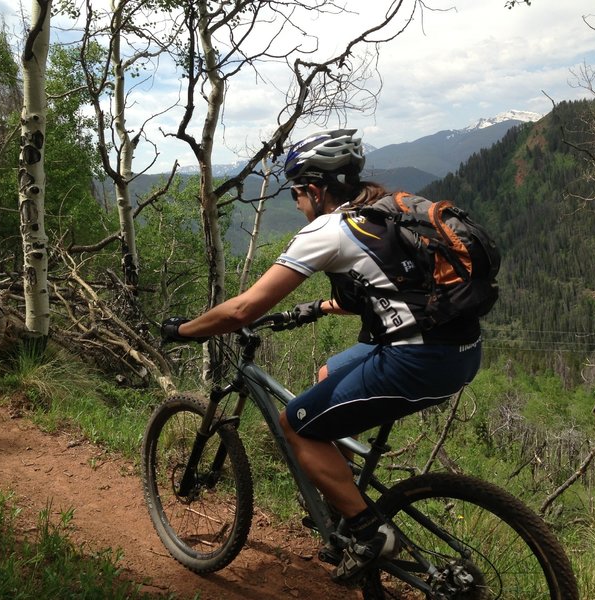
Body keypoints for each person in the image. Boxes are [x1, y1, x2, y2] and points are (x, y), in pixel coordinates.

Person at [161, 129, 482, 585]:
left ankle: (370, 533)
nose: (295, 202)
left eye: (296, 192)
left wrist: (186, 330)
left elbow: (244, 309)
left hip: (416, 361)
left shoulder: (327, 230)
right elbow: (390, 288)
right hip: (461, 350)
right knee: (328, 372)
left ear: (314, 190)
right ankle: (343, 503)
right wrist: (316, 308)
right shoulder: (387, 208)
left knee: (296, 424)